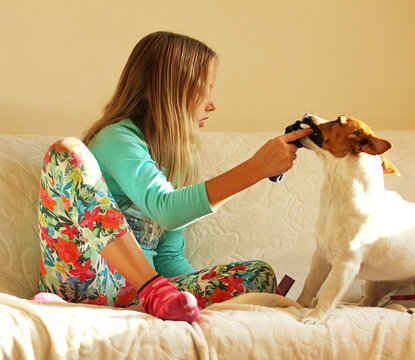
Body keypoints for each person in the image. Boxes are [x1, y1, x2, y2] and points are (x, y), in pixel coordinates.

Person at [34, 31, 313, 322]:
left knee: (258, 275)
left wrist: (188, 295)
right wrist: (256, 168)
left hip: (139, 297)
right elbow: (166, 209)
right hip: (85, 275)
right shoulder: (117, 139)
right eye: (207, 89)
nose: (213, 103)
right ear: (172, 90)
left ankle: (147, 303)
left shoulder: (174, 162)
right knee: (66, 152)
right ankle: (148, 293)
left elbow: (168, 258)